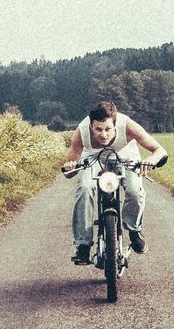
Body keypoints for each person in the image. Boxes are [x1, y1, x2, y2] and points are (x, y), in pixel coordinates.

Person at [61, 100, 167, 265]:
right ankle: (83, 246)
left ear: (116, 125)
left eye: (108, 129)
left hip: (126, 156)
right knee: (84, 187)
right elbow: (70, 171)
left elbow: (160, 150)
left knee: (134, 189)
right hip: (93, 158)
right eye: (98, 129)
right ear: (91, 127)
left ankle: (134, 231)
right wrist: (70, 167)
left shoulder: (128, 125)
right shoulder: (81, 131)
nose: (103, 135)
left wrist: (151, 160)